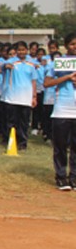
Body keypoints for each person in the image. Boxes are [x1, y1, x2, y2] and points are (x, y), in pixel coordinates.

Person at [43, 32, 76, 191]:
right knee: (61, 147)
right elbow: (47, 83)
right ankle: (61, 177)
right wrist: (67, 78)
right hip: (62, 110)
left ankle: (74, 177)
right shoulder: (58, 63)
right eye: (72, 44)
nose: (75, 47)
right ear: (67, 45)